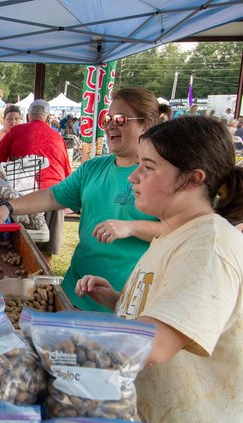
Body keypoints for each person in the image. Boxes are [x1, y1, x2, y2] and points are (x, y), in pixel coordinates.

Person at [75, 116, 243, 423]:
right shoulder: (173, 232)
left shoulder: (207, 247)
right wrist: (116, 300)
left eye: (148, 167)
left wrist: (62, 339)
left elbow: (155, 345)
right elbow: (170, 315)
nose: (133, 177)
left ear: (193, 178)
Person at [0, 88, 162, 312]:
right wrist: (9, 207)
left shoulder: (161, 175)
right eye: (106, 119)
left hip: (124, 304)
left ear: (147, 124)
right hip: (74, 291)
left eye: (120, 119)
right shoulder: (93, 168)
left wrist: (132, 227)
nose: (110, 125)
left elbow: (180, 231)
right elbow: (52, 195)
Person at [0, 99, 72, 262]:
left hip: (22, 195)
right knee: (46, 249)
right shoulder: (58, 137)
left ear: (28, 117)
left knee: (15, 247)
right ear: (48, 119)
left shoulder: (16, 131)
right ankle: (43, 279)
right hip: (54, 194)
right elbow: (67, 172)